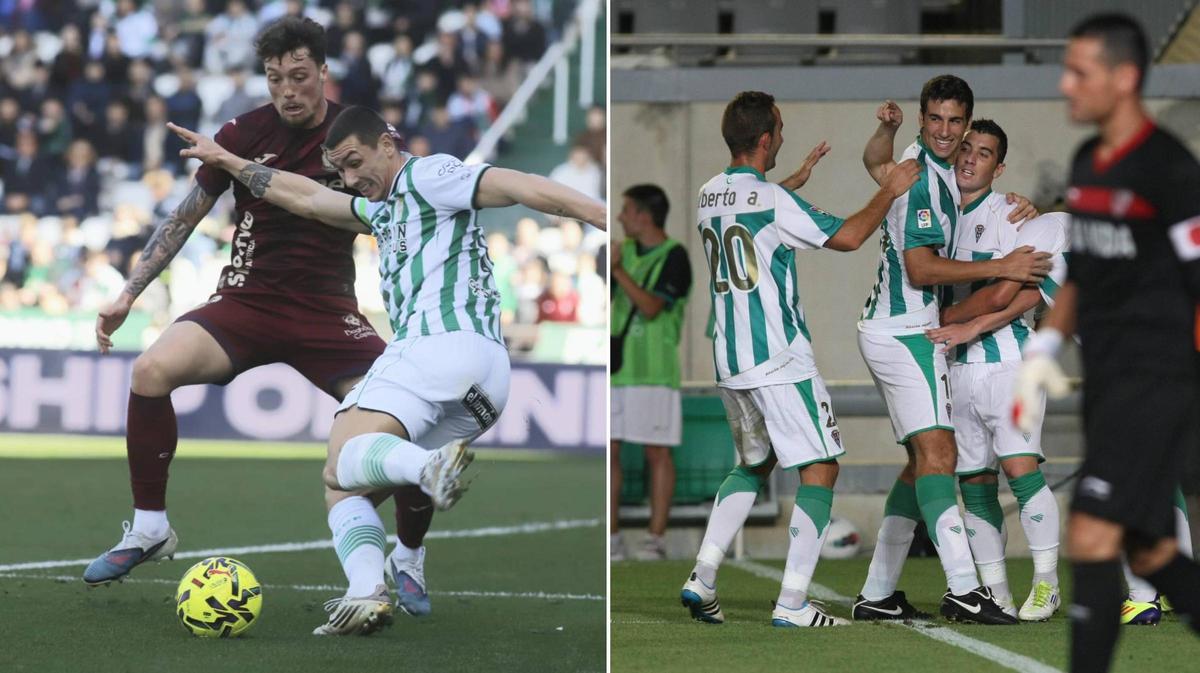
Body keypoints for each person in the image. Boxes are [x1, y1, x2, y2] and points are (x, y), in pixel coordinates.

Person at [169, 104, 605, 635]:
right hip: (486, 385)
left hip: (436, 346)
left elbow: (516, 184)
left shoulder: (427, 175)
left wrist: (602, 218)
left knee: (343, 459)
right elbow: (305, 196)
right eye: (343, 171)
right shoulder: (381, 209)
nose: (352, 179)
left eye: (356, 162)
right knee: (344, 489)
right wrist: (231, 162)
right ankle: (368, 591)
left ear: (387, 144)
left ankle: (428, 471)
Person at [82, 17, 437, 632]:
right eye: (275, 79)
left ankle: (408, 555)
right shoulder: (241, 131)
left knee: (401, 424)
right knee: (150, 370)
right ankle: (150, 527)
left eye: (299, 77)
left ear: (323, 72)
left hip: (329, 313)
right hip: (247, 302)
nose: (287, 91)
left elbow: (387, 211)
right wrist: (128, 294)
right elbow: (186, 216)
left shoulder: (357, 133)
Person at [680, 90, 921, 628]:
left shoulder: (708, 193)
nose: (784, 137)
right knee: (821, 468)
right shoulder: (772, 202)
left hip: (730, 358)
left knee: (753, 464)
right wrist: (891, 187)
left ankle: (702, 575)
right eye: (780, 130)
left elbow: (750, 209)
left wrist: (790, 181)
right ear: (766, 139)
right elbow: (853, 235)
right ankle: (792, 603)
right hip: (779, 357)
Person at [1014, 14, 1200, 672]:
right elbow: (1083, 276)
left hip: (1159, 383)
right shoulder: (1087, 164)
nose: (1065, 85)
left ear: (1124, 79)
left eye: (1079, 72)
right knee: (1147, 549)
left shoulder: (1170, 171)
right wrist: (1044, 349)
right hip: (1110, 383)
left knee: (1090, 532)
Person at [852, 76, 1049, 625]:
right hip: (905, 330)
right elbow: (919, 268)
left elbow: (874, 161)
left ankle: (878, 591)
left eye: (954, 121)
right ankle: (966, 587)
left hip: (906, 330)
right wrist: (1002, 265)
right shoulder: (924, 182)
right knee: (941, 456)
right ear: (923, 119)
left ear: (966, 126)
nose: (944, 130)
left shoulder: (922, 162)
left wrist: (883, 132)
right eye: (934, 119)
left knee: (921, 466)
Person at [919, 119, 1069, 621]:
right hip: (956, 368)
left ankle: (1047, 585)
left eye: (983, 153)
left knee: (1022, 473)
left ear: (998, 167)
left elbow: (1022, 289)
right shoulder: (936, 210)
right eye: (966, 148)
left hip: (1008, 362)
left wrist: (960, 321)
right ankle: (996, 593)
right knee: (974, 485)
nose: (969, 158)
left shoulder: (1010, 214)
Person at [609, 184, 692, 562]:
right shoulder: (618, 253)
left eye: (626, 210)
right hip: (617, 371)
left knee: (657, 452)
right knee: (610, 449)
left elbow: (652, 308)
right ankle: (611, 539)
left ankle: (654, 539)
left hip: (655, 372)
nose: (620, 218)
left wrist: (618, 272)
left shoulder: (675, 256)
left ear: (644, 216)